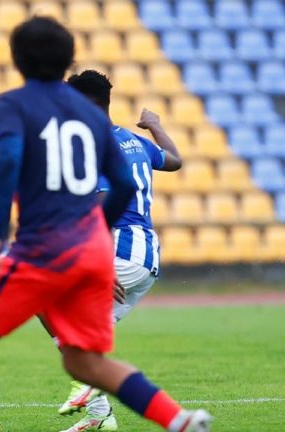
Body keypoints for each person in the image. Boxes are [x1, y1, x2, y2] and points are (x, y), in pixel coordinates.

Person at [0, 17, 211, 432]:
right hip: (93, 249)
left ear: (17, 59)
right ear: (67, 59)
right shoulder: (95, 121)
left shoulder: (10, 105)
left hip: (44, 248)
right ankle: (177, 419)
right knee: (82, 360)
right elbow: (123, 184)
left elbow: (8, 163)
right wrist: (95, 241)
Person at [55, 70, 183, 431]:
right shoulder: (131, 140)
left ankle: (88, 382)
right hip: (144, 255)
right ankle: (99, 415)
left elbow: (100, 213)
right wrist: (155, 126)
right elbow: (174, 160)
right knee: (64, 320)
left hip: (120, 251)